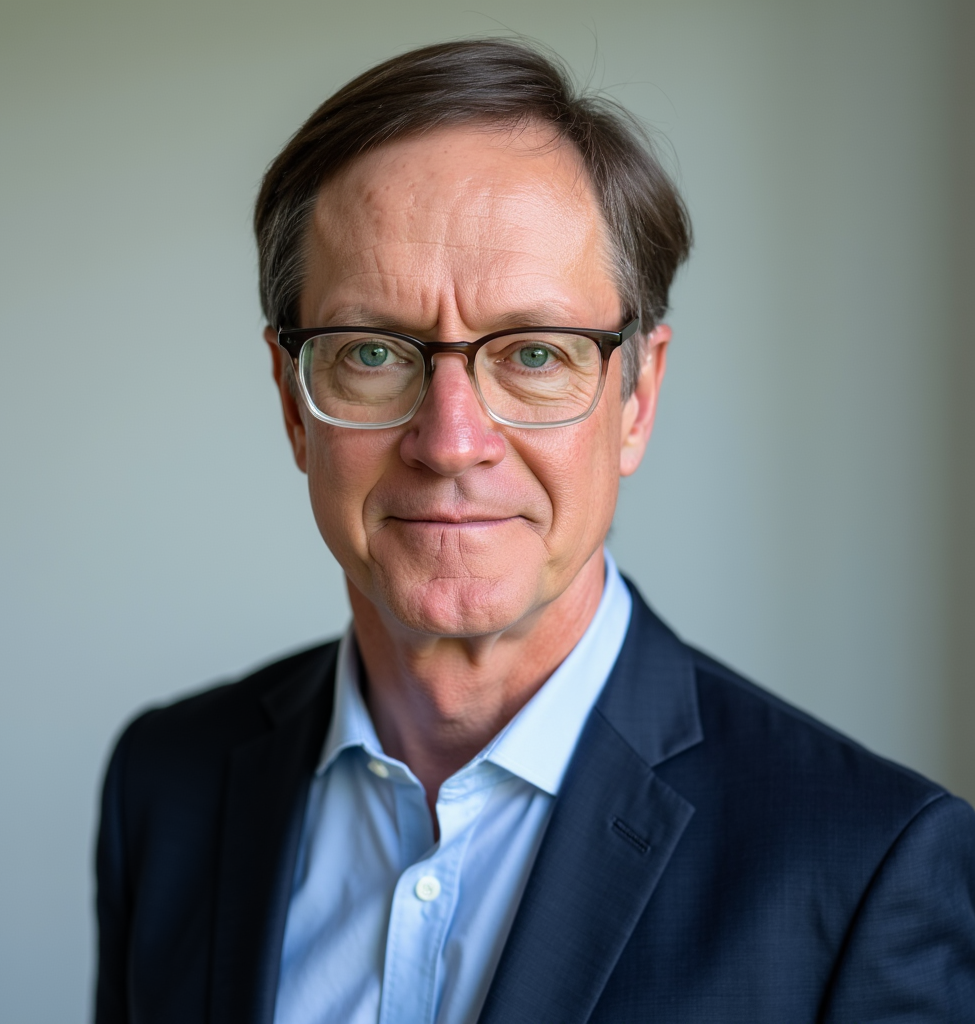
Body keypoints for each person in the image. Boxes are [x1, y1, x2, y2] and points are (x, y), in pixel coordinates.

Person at [94, 38, 975, 1024]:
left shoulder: (865, 868)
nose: (450, 440)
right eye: (374, 351)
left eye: (534, 353)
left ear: (636, 396)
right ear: (294, 403)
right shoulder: (164, 787)